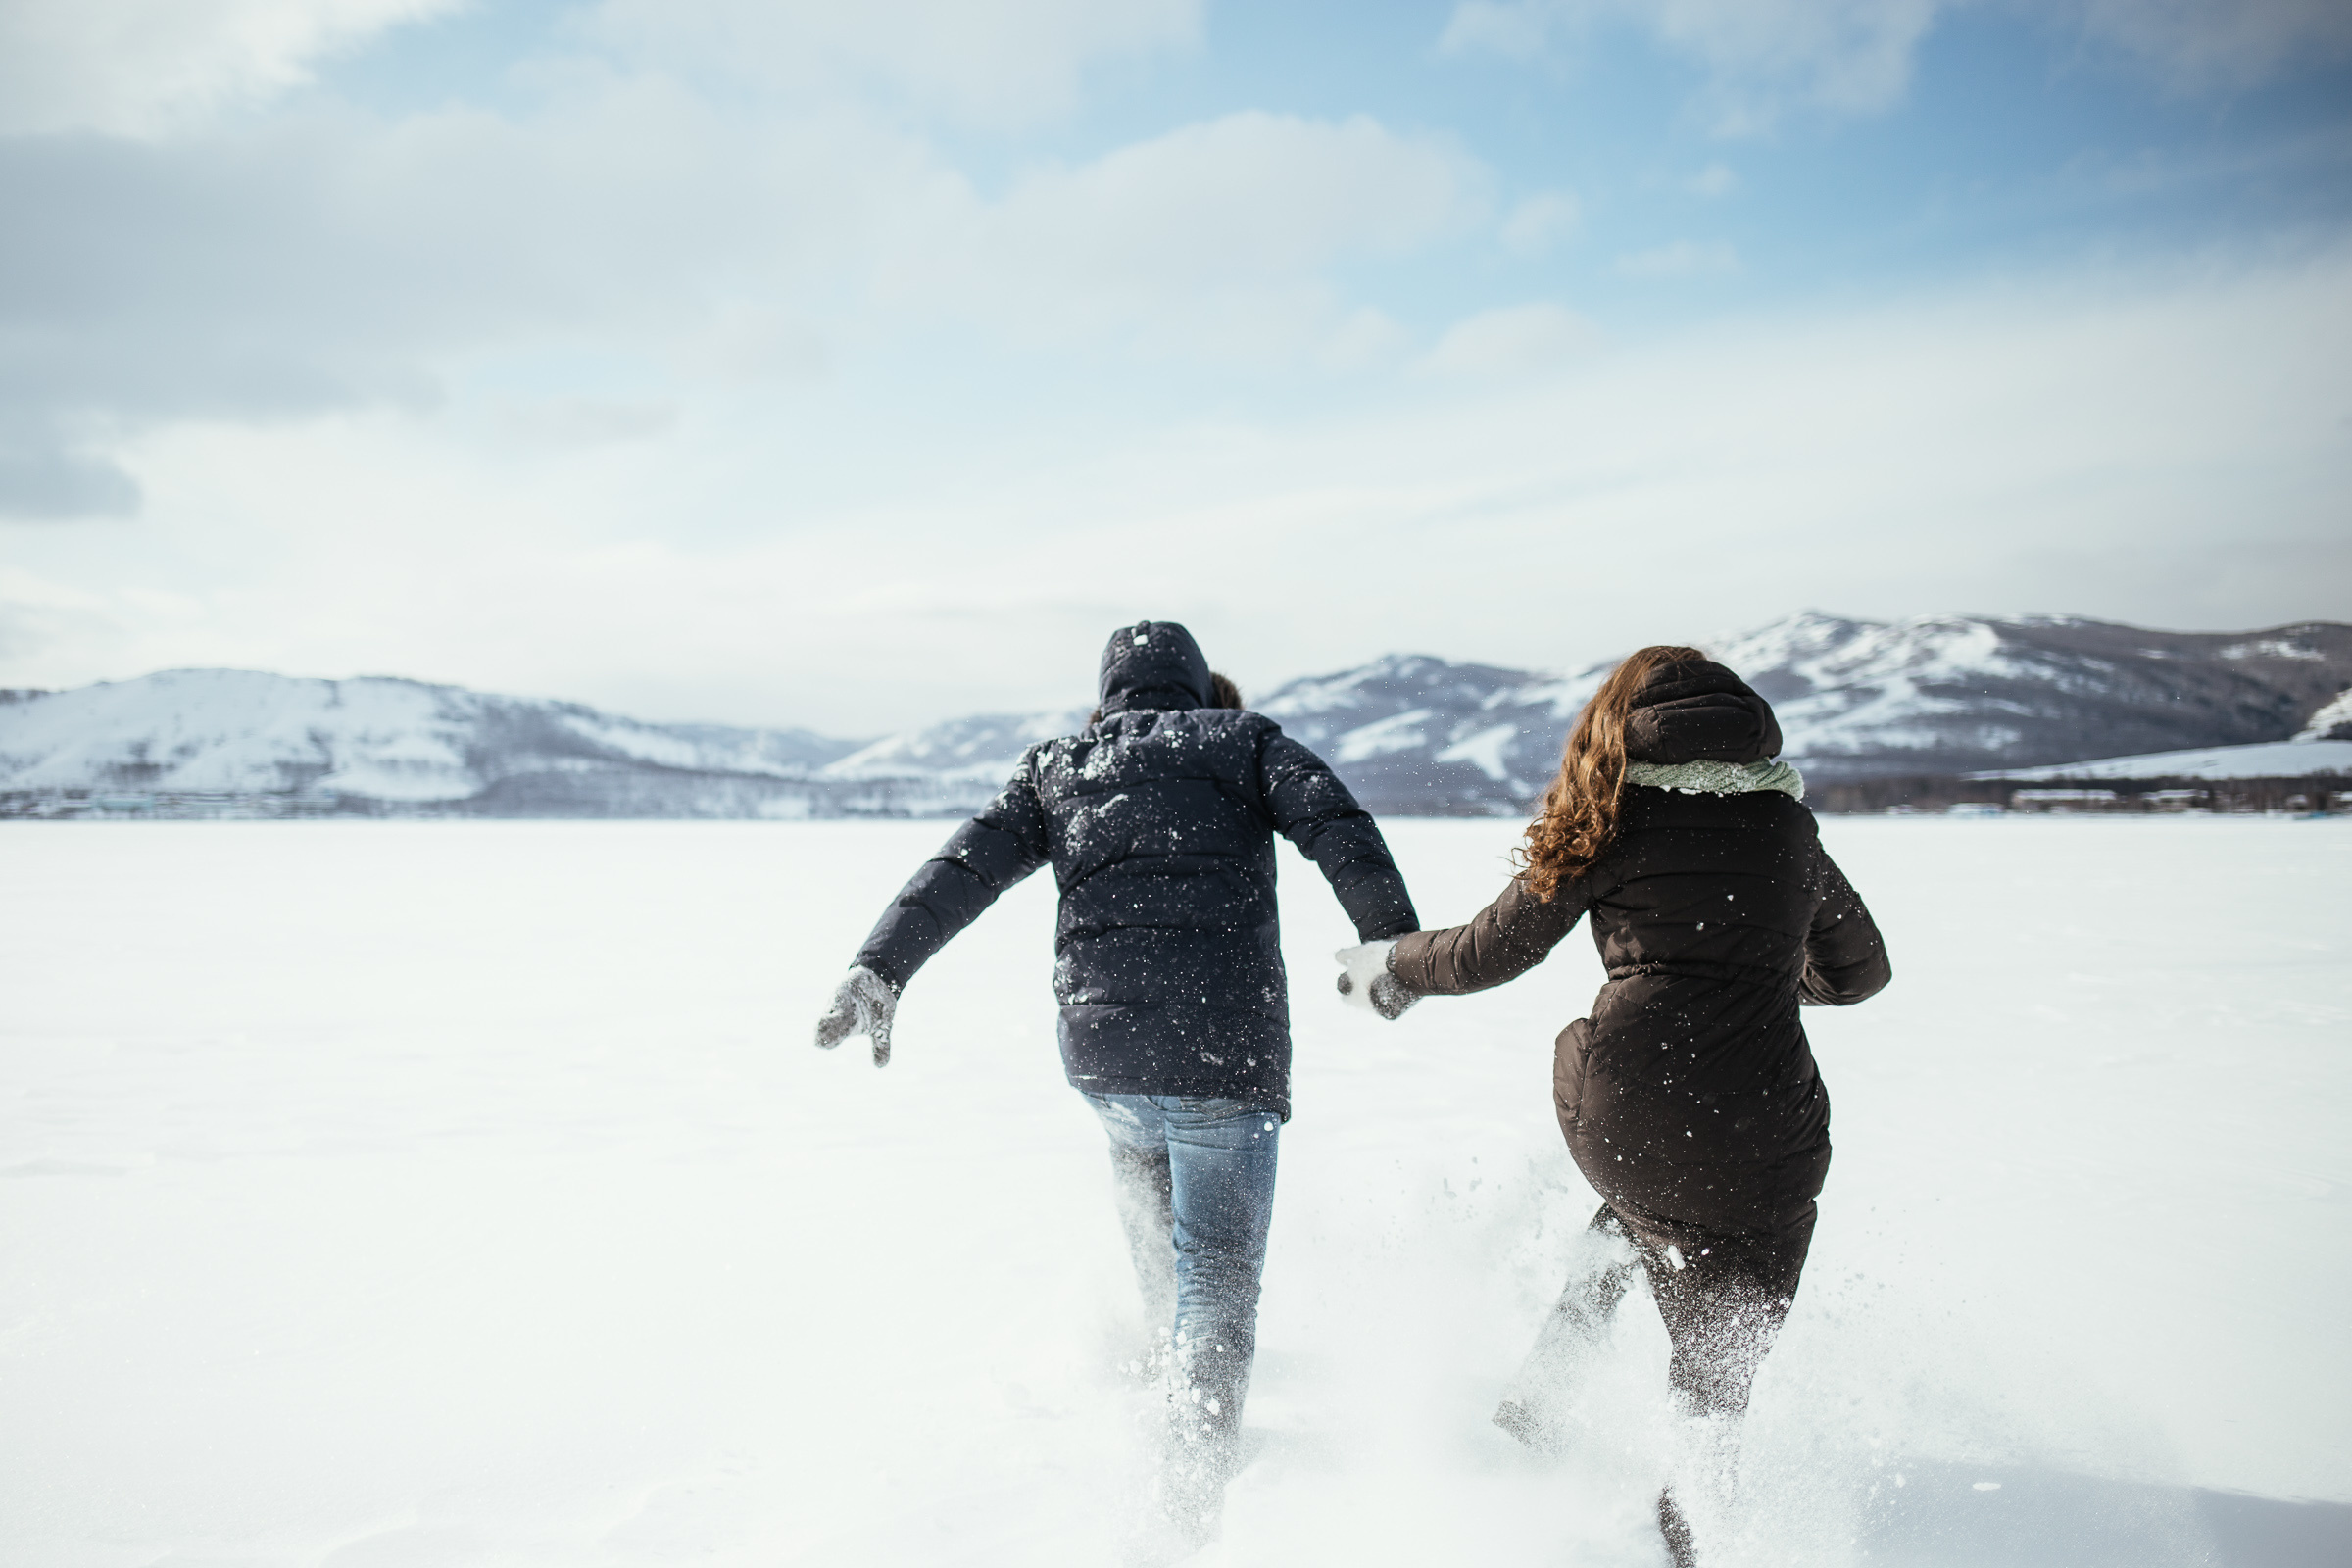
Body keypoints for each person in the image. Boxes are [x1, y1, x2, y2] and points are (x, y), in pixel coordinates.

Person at [814, 619, 1418, 1534]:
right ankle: (1189, 1503)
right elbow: (1339, 826)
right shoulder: (1245, 742)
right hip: (1223, 1061)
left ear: (1108, 695)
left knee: (1160, 1229)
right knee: (1216, 1280)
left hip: (1108, 1064)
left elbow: (962, 868)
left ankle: (1166, 1394)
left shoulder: (1061, 766)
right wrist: (1390, 941)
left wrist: (881, 965)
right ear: (1200, 685)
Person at [1334, 645, 1889, 1567]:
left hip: (1629, 1111)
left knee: (1643, 1197)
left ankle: (1544, 1401)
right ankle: (1690, 1527)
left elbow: (1484, 953)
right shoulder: (1788, 828)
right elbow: (1860, 972)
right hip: (1770, 1134)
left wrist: (1391, 965)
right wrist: (1751, 980)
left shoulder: (1612, 820)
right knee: (1717, 1370)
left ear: (1620, 726)